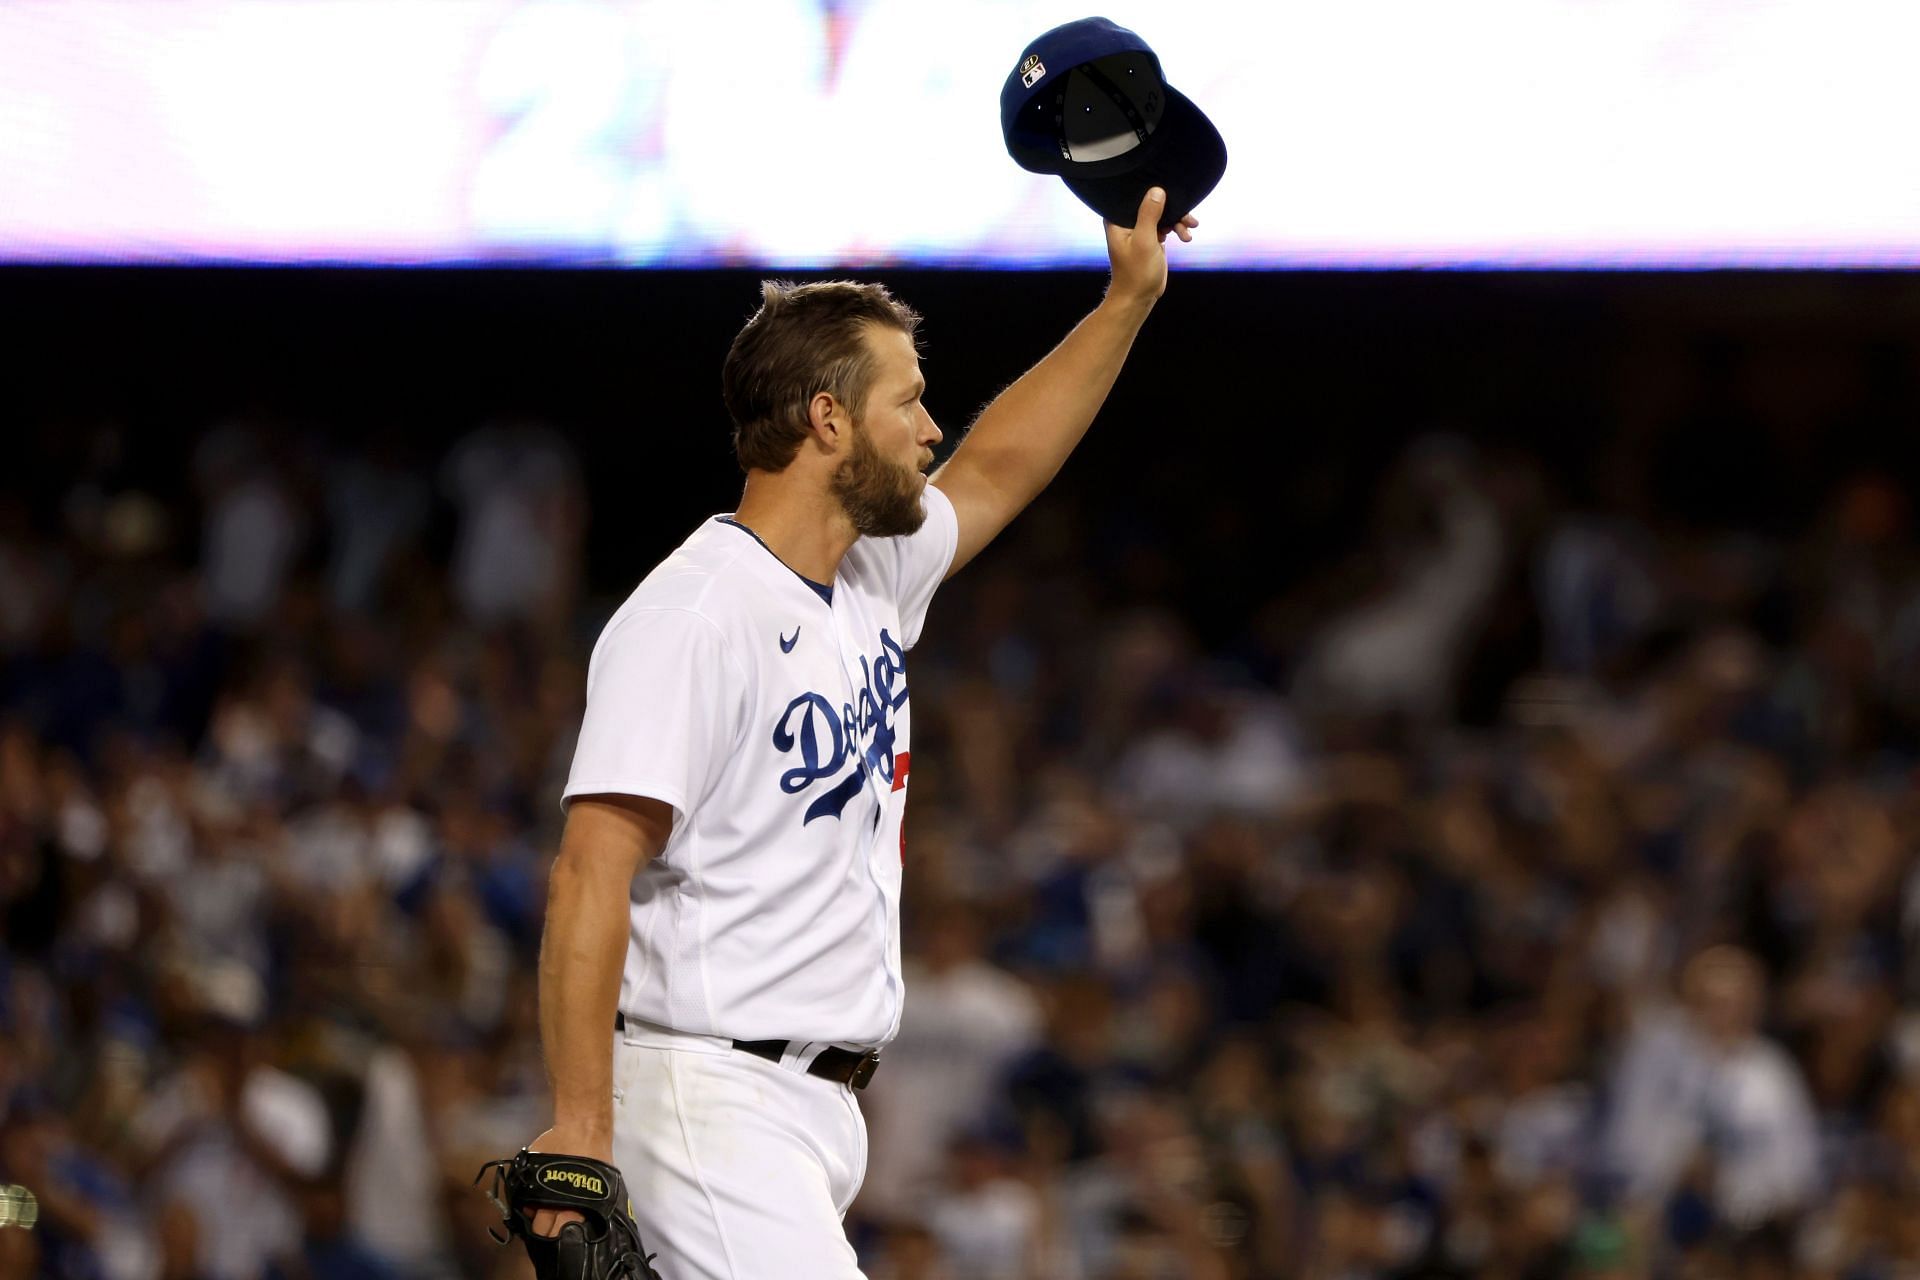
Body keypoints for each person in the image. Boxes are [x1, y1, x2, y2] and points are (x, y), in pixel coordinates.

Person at [518, 188, 1195, 1279]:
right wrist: (579, 1123)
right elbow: (589, 870)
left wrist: (1126, 300)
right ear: (828, 419)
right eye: (909, 400)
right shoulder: (695, 613)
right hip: (709, 1089)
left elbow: (1000, 467)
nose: (934, 426)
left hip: (815, 1111)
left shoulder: (869, 576)